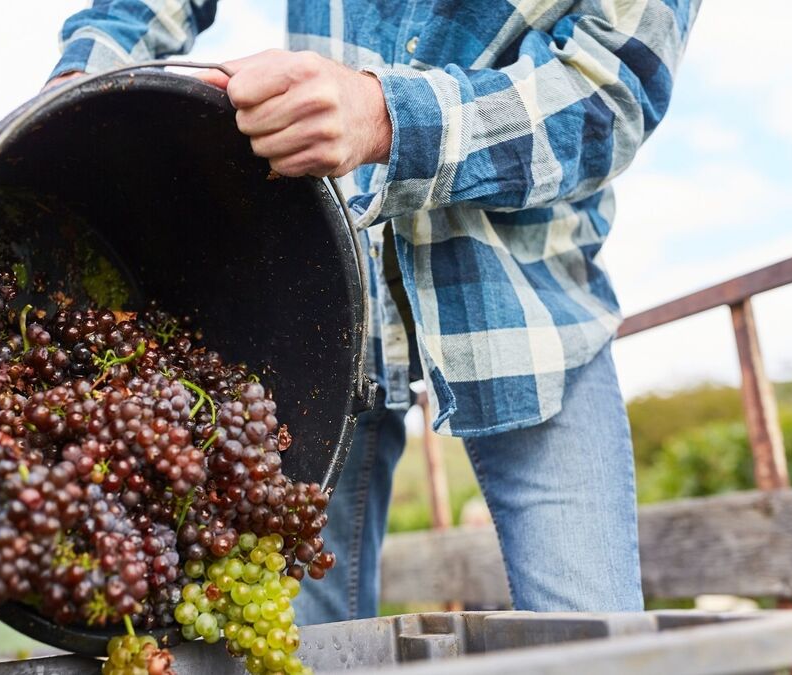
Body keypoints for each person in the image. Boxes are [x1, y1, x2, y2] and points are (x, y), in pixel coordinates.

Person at [45, 0, 699, 624]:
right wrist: (84, 76)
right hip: (315, 303)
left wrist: (389, 117)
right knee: (304, 644)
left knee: (595, 638)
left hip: (529, 316)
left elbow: (612, 91)